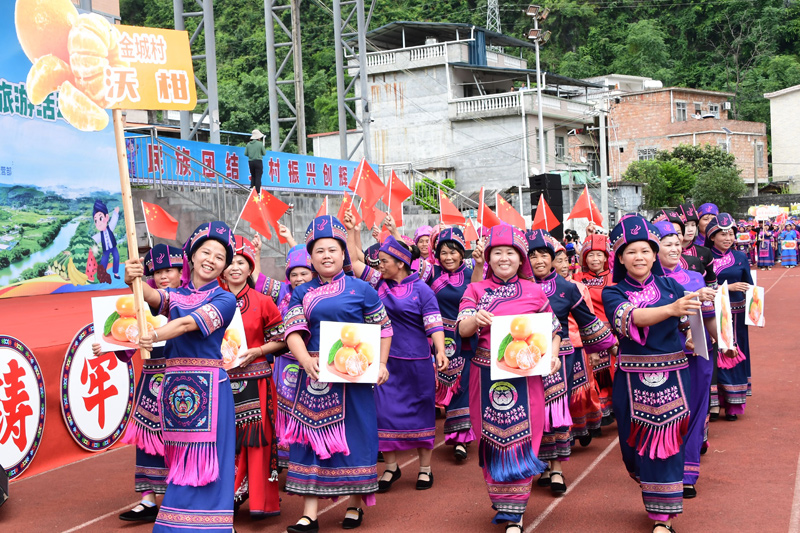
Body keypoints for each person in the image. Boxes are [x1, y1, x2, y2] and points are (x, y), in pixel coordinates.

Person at [282, 215, 392, 533]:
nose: (326, 255)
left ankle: (355, 504)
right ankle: (309, 514)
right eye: (319, 250)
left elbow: (383, 329)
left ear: (344, 254)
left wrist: (382, 364)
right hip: (314, 377)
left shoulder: (363, 289)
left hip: (354, 377)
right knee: (311, 441)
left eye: (332, 249)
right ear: (310, 256)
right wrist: (304, 360)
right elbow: (293, 329)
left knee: (356, 437)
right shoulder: (301, 291)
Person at [126, 221, 238, 532]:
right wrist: (133, 276)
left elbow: (188, 324)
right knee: (178, 461)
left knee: (208, 461)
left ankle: (211, 525)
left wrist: (155, 333)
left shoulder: (225, 300)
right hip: (176, 391)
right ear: (191, 254)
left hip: (210, 391)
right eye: (206, 252)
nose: (211, 259)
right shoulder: (175, 294)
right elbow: (150, 296)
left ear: (225, 266)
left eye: (219, 256)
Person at [602, 215, 702, 533]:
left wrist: (700, 333)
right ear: (620, 257)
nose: (640, 257)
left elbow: (689, 328)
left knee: (669, 443)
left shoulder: (672, 286)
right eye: (632, 252)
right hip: (631, 380)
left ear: (654, 253)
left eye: (645, 250)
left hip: (673, 376)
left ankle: (663, 518)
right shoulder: (612, 293)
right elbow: (630, 318)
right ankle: (650, 489)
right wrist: (672, 310)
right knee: (633, 451)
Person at [459, 225, 562, 533]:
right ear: (488, 258)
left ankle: (514, 511)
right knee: (489, 438)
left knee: (523, 437)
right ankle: (502, 497)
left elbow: (553, 331)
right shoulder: (475, 290)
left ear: (521, 259)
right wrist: (474, 319)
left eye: (511, 253)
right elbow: (462, 328)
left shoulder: (534, 291)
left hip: (525, 376)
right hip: (485, 376)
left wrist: (554, 356)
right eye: (497, 253)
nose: (504, 259)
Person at [343, 213, 448, 492]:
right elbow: (354, 263)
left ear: (400, 263)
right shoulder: (378, 282)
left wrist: (439, 350)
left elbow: (434, 322)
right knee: (383, 414)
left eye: (385, 261)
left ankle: (425, 469)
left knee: (422, 413)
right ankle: (391, 468)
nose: (379, 265)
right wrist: (353, 231)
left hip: (417, 363)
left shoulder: (422, 290)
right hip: (384, 363)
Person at [95, 244, 183, 523]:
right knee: (146, 438)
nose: (163, 276)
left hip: (183, 379)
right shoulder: (139, 303)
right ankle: (148, 499)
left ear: (182, 271)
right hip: (151, 379)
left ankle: (178, 497)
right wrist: (108, 347)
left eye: (169, 270)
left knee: (180, 438)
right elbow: (127, 347)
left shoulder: (189, 299)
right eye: (157, 272)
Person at [527, 230, 615, 493]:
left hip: (558, 360)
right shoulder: (520, 288)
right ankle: (538, 464)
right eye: (532, 255)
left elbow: (589, 321)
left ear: (554, 258)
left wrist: (613, 344)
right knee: (532, 414)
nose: (539, 260)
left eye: (544, 255)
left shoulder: (567, 288)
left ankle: (556, 469)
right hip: (524, 361)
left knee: (554, 413)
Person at [221, 235, 286, 519]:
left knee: (257, 440)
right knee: (224, 439)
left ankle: (258, 498)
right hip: (221, 380)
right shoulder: (212, 301)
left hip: (256, 380)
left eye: (241, 263)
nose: (235, 268)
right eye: (230, 263)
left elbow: (282, 340)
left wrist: (258, 350)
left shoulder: (263, 302)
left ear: (250, 269)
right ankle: (227, 493)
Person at [653, 220, 718, 499]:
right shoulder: (650, 283)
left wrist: (723, 340)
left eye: (678, 243)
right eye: (668, 244)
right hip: (664, 357)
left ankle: (688, 472)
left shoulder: (695, 277)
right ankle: (665, 469)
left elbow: (708, 317)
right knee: (669, 415)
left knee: (695, 411)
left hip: (697, 354)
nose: (675, 248)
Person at [427, 227, 477, 461]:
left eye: (453, 252)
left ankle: (461, 438)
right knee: (438, 384)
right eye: (443, 252)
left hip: (464, 337)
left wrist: (480, 263)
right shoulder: (430, 272)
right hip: (436, 338)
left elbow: (477, 292)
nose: (448, 257)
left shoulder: (471, 272)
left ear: (462, 253)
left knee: (462, 386)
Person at [706, 213, 754, 418]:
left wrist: (755, 313)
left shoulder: (741, 257)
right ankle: (716, 402)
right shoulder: (705, 256)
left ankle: (735, 403)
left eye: (731, 233)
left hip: (738, 314)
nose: (728, 238)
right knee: (718, 354)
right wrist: (728, 287)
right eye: (722, 234)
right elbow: (702, 287)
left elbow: (750, 286)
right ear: (712, 236)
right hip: (714, 314)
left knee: (737, 354)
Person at [573, 234, 618, 425]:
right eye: (591, 255)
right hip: (586, 335)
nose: (595, 259)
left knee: (612, 373)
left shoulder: (614, 277)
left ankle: (613, 409)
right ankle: (597, 413)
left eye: (600, 255)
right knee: (591, 376)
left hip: (611, 335)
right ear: (584, 258)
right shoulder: (577, 278)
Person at [245, 129, 267, 195]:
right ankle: (258, 191)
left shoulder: (248, 144)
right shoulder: (260, 144)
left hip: (250, 162)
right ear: (258, 137)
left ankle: (252, 187)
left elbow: (245, 153)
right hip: (258, 161)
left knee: (253, 175)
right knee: (258, 176)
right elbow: (264, 153)